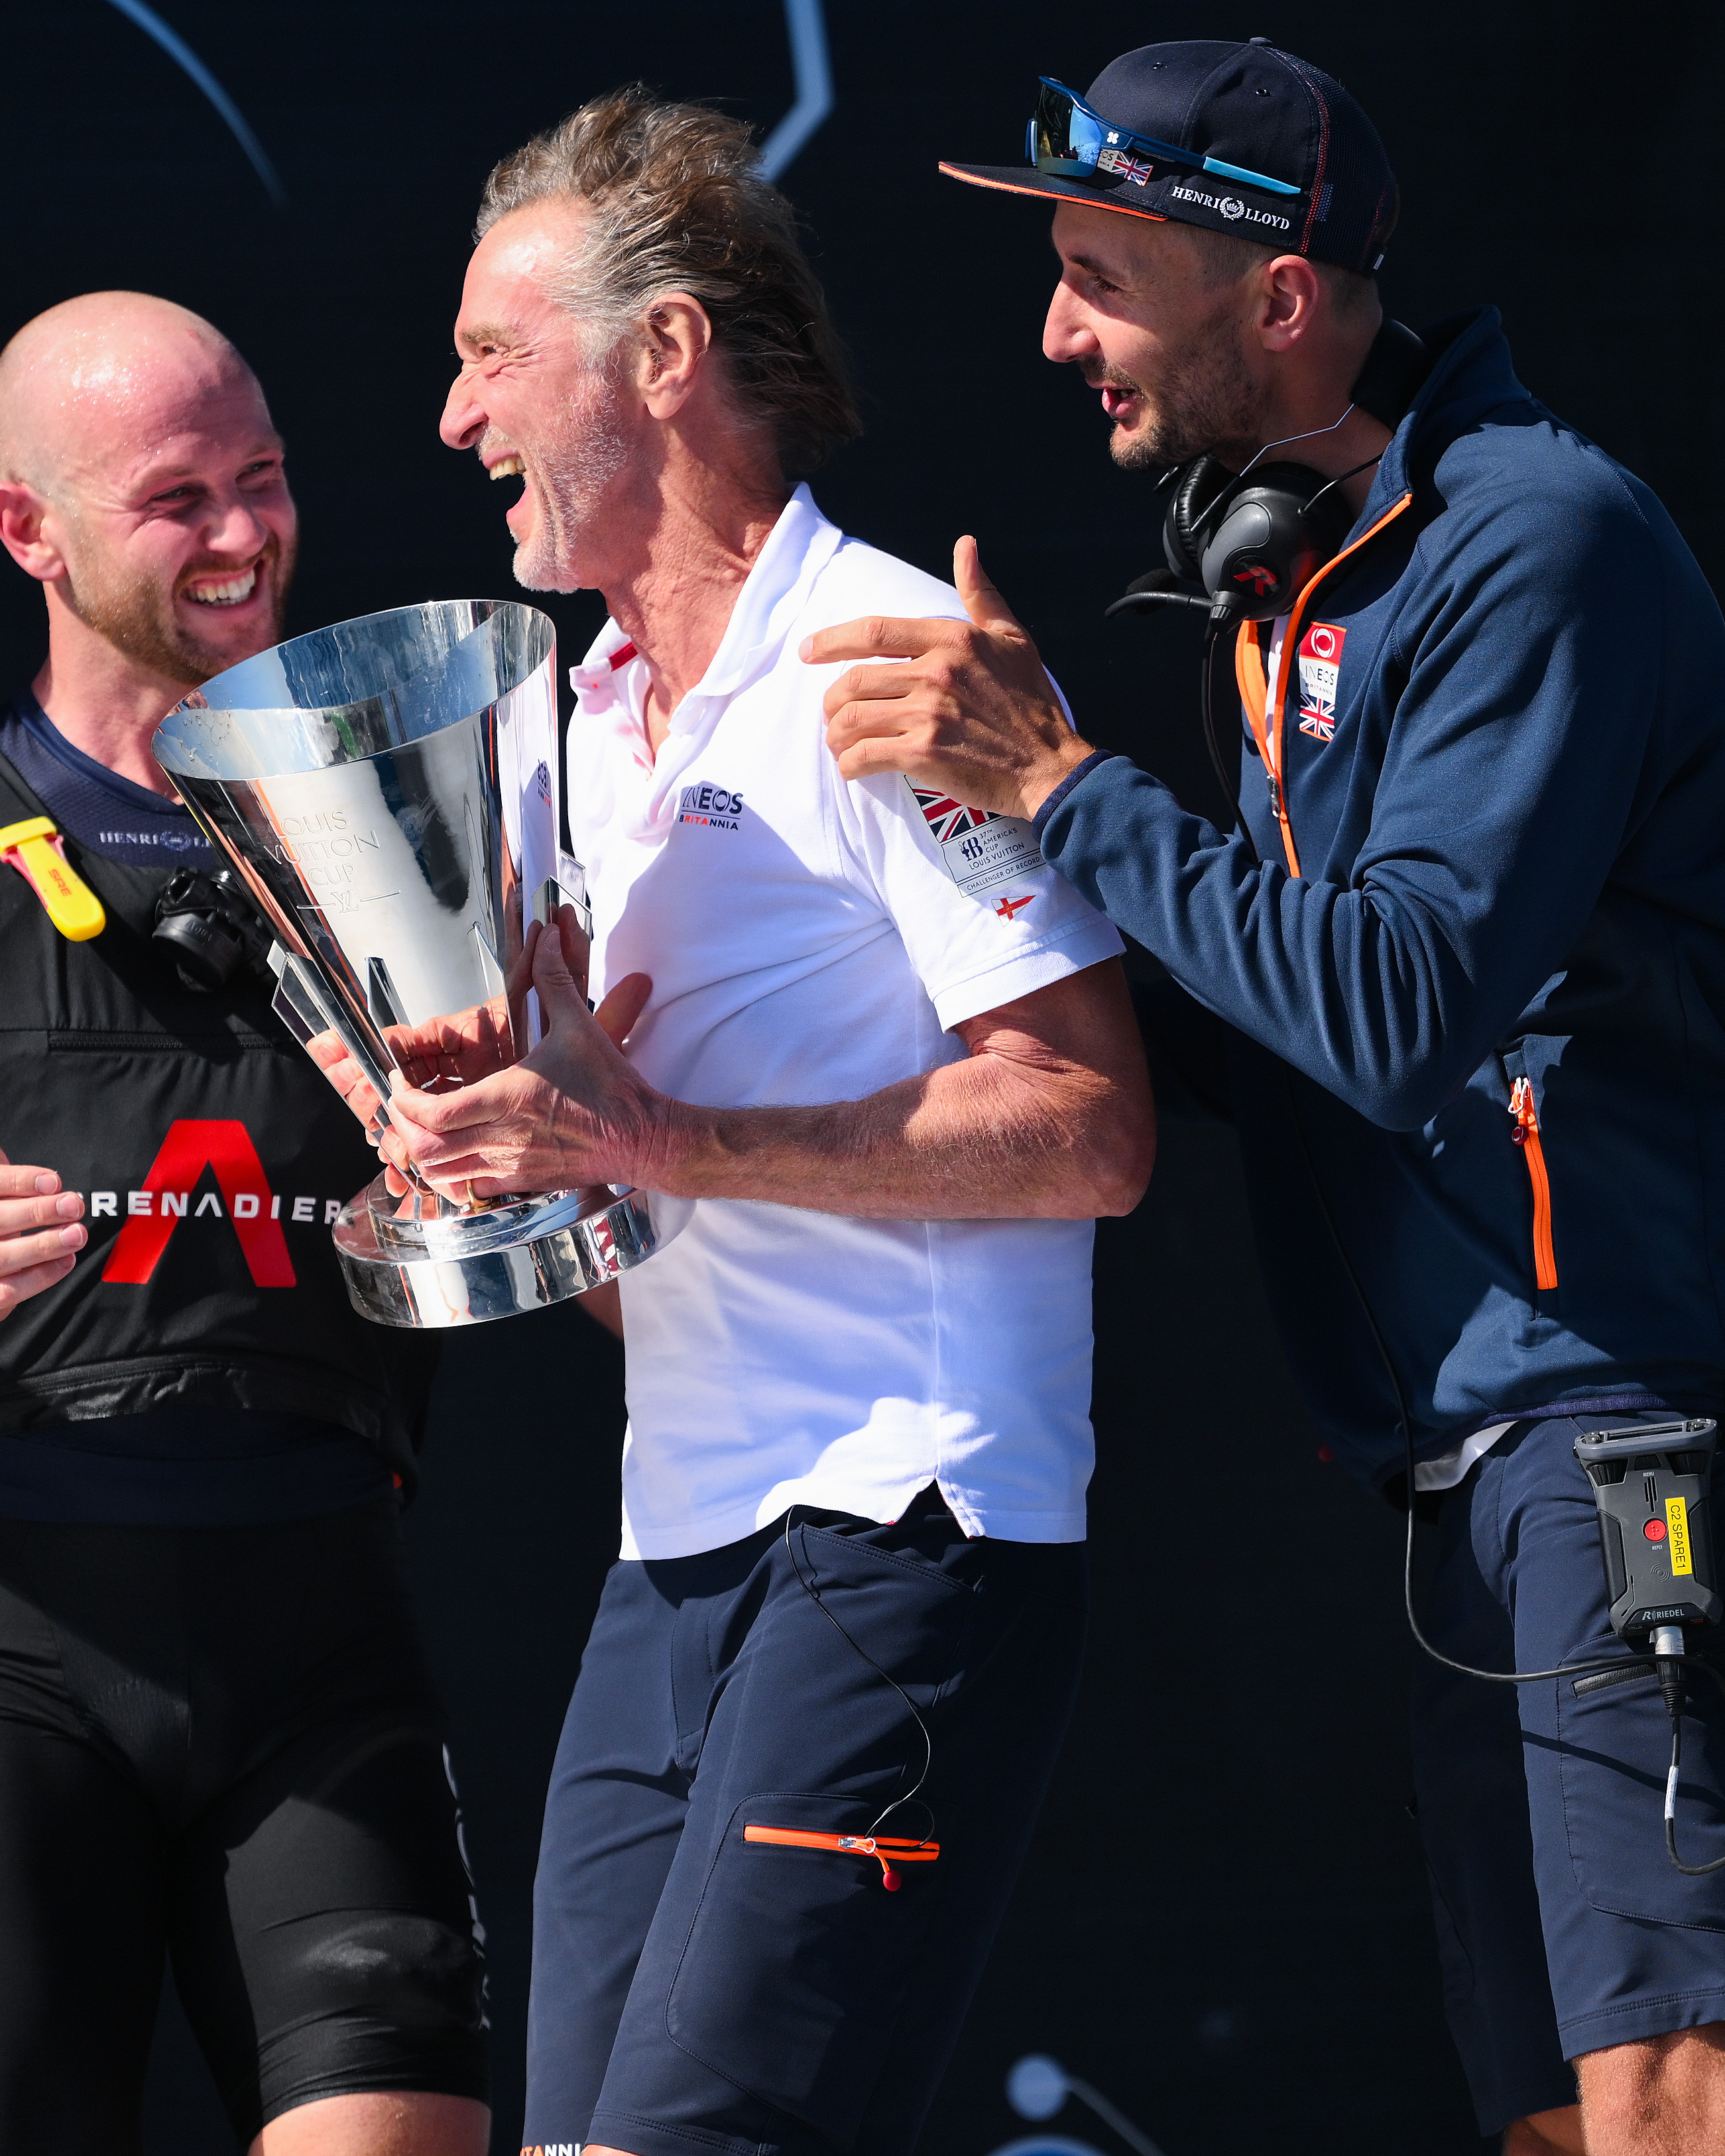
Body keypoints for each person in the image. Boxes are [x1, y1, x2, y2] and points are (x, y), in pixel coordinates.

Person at [811, 39, 1725, 2156]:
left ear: (1284, 298)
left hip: (1637, 1403)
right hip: (1486, 1438)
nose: (1057, 333)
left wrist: (1057, 787)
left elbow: (1398, 999)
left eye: (1103, 278)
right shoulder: (1294, 575)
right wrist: (972, 993)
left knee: (1674, 2067)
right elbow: (1290, 1007)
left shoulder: (1538, 544)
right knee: (1551, 2108)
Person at [380, 90, 1155, 2156]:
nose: (455, 420)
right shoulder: (561, 725)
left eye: (490, 354)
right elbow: (633, 1226)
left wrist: (655, 1140)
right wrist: (513, 1168)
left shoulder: (880, 657)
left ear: (662, 357)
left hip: (911, 1524)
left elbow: (1088, 1128)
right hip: (679, 1546)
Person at [0, 291, 491, 2155]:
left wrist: (508, 1167)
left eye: (266, 479)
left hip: (327, 1637)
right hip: (7, 1663)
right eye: (178, 499)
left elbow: (563, 1231)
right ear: (25, 530)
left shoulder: (397, 820)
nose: (242, 536)